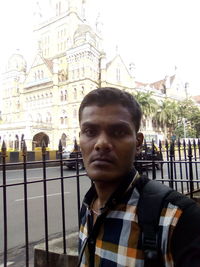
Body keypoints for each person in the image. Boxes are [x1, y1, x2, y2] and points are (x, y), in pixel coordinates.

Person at [78, 87, 200, 267]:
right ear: (80, 138)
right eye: (90, 131)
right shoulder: (88, 206)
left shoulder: (178, 220)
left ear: (138, 143)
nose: (102, 143)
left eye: (118, 132)